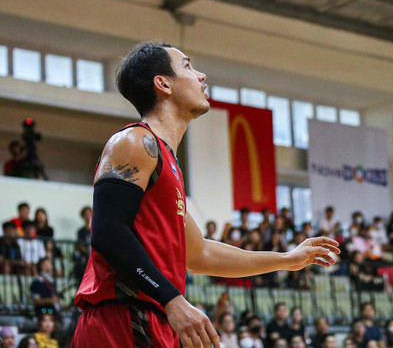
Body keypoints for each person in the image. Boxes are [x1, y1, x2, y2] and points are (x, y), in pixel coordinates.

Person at [72, 42, 340, 347]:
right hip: (121, 317)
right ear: (163, 84)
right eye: (187, 66)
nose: (201, 75)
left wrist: (287, 259)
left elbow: (200, 254)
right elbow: (107, 232)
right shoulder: (135, 141)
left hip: (155, 318)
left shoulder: (167, 163)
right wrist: (172, 298)